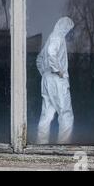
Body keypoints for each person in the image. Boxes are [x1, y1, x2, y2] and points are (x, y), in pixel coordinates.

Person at [36, 16, 74, 144]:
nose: (69, 31)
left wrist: (45, 74)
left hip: (47, 80)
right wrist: (58, 71)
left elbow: (39, 60)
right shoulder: (58, 37)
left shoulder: (50, 38)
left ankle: (41, 144)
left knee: (46, 114)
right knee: (66, 114)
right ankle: (64, 145)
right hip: (57, 80)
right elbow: (52, 52)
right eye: (69, 28)